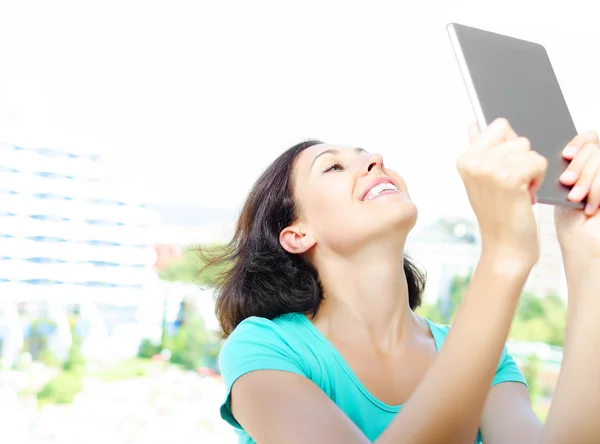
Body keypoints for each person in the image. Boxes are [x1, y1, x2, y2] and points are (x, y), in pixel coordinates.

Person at [204, 118, 600, 444]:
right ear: (297, 234)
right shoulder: (266, 347)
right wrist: (503, 256)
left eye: (368, 156)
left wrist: (589, 254)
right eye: (334, 167)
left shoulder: (486, 356)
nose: (376, 160)